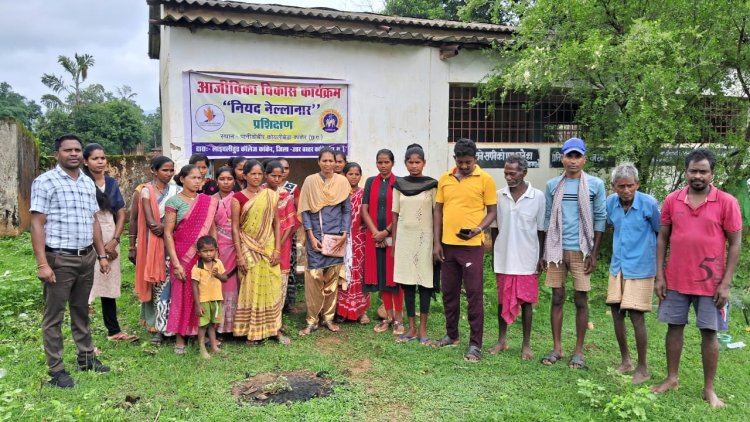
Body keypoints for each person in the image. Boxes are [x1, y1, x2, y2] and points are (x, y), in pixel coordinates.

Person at [651, 149, 742, 408]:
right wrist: (660, 275)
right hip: (676, 278)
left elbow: (735, 243)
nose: (698, 175)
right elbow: (662, 238)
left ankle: (709, 389)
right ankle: (671, 378)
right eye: (693, 170)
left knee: (709, 333)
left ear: (712, 174)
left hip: (710, 282)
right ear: (686, 172)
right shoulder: (672, 200)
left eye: (703, 171)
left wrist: (725, 283)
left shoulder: (726, 202)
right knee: (674, 328)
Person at [30, 134, 111, 388]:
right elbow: (37, 223)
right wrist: (43, 263)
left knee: (81, 310)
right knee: (54, 316)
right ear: (57, 154)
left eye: (77, 150)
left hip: (86, 256)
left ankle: (86, 358)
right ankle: (56, 370)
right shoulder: (45, 182)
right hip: (59, 258)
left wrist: (101, 255)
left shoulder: (87, 183)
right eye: (68, 150)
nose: (74, 154)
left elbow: (93, 220)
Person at [541, 137, 606, 369]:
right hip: (557, 248)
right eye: (569, 156)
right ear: (562, 159)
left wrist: (594, 253)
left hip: (582, 250)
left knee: (581, 298)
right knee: (557, 297)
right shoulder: (552, 186)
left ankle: (578, 351)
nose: (573, 161)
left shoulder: (595, 185)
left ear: (584, 159)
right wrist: (543, 251)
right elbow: (548, 218)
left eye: (577, 156)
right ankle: (557, 347)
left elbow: (600, 219)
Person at [432, 138, 497, 362]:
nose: (464, 166)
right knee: (449, 293)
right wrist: (436, 242)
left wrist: (478, 229)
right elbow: (438, 211)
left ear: (475, 159)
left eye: (468, 162)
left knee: (474, 295)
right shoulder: (445, 179)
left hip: (471, 247)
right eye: (461, 162)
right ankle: (452, 335)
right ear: (455, 160)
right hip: (448, 246)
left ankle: (475, 344)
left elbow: (492, 212)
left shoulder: (485, 180)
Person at [605, 163, 660, 384]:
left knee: (636, 316)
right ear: (614, 187)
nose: (626, 191)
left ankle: (643, 367)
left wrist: (661, 268)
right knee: (616, 313)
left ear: (637, 184)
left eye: (630, 186)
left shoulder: (649, 204)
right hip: (617, 266)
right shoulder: (610, 204)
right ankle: (626, 360)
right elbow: (612, 227)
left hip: (641, 267)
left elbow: (661, 233)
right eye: (621, 186)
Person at [489, 154, 545, 360]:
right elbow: (494, 228)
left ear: (524, 173)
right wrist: (496, 251)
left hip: (528, 258)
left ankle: (526, 345)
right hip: (503, 257)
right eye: (506, 173)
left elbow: (541, 230)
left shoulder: (537, 196)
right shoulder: (498, 195)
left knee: (527, 302)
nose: (508, 177)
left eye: (512, 173)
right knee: (502, 301)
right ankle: (502, 340)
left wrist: (541, 256)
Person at [82, 143, 138, 343]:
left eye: (103, 158)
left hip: (110, 232)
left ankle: (113, 331)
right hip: (87, 234)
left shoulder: (112, 183)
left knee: (108, 284)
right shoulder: (82, 183)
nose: (100, 162)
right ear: (85, 162)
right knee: (86, 286)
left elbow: (121, 213)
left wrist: (115, 240)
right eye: (95, 158)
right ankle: (85, 339)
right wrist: (100, 249)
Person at [231, 160, 289, 345]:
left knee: (272, 286)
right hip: (248, 246)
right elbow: (235, 228)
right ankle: (253, 332)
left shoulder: (270, 195)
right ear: (244, 175)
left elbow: (276, 223)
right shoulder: (238, 198)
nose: (256, 177)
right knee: (252, 286)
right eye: (252, 174)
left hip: (269, 246)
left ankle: (274, 329)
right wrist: (239, 255)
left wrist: (278, 249)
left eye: (259, 174)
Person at [164, 164, 219, 354]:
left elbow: (212, 229)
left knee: (203, 294)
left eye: (200, 178)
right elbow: (168, 233)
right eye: (193, 177)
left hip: (204, 255)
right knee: (182, 294)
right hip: (182, 255)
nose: (197, 181)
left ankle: (200, 334)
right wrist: (176, 263)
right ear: (182, 179)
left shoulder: (207, 201)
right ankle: (181, 337)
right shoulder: (174, 202)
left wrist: (215, 258)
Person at [297, 147, 351, 336]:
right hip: (316, 237)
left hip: (336, 236)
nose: (328, 164)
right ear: (318, 162)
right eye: (325, 161)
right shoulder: (310, 181)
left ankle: (328, 318)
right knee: (313, 277)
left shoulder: (342, 182)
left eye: (332, 161)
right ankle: (312, 320)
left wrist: (344, 232)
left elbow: (346, 210)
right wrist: (310, 236)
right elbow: (304, 210)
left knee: (332, 278)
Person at [392, 144, 438, 344]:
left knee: (425, 283)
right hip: (404, 238)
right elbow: (394, 215)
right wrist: (394, 242)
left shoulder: (432, 185)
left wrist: (437, 242)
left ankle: (423, 329)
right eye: (410, 162)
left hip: (425, 238)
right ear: (405, 163)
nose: (414, 166)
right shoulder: (398, 184)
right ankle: (410, 328)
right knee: (407, 283)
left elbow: (438, 214)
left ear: (424, 163)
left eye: (417, 162)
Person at [132, 156, 179, 346]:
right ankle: (157, 326)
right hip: (154, 242)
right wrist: (162, 228)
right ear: (154, 170)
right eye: (164, 170)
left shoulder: (177, 191)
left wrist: (168, 229)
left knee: (173, 284)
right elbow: (149, 221)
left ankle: (174, 323)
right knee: (157, 283)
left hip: (174, 241)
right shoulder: (145, 191)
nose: (168, 174)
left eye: (171, 170)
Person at [362, 149, 403, 335]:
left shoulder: (400, 183)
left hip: (394, 236)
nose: (383, 165)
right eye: (380, 162)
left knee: (395, 278)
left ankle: (399, 319)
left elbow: (401, 210)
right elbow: (365, 209)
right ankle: (387, 317)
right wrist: (375, 233)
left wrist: (386, 232)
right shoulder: (371, 182)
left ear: (392, 163)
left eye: (386, 162)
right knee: (382, 277)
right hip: (374, 237)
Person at [335, 162, 371, 324]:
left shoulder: (364, 194)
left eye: (357, 174)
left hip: (360, 240)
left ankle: (361, 311)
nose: (354, 177)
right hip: (342, 239)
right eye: (351, 174)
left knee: (360, 274)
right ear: (344, 175)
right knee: (342, 273)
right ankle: (342, 310)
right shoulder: (338, 194)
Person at [264, 160, 299, 311]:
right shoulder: (259, 194)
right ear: (266, 175)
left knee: (282, 275)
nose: (277, 179)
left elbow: (292, 223)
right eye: (274, 176)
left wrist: (279, 244)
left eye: (280, 175)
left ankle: (277, 315)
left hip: (283, 243)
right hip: (261, 243)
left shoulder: (285, 195)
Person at [213, 166, 239, 334]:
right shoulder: (209, 200)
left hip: (236, 246)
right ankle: (217, 325)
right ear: (217, 181)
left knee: (233, 283)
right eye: (222, 179)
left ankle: (233, 326)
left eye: (229, 179)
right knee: (217, 282)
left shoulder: (238, 198)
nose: (226, 182)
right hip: (217, 247)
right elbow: (210, 225)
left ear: (234, 180)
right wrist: (214, 248)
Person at [191, 235, 228, 359]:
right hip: (204, 300)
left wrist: (218, 275)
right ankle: (202, 348)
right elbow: (194, 286)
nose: (208, 254)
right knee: (203, 325)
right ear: (199, 253)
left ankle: (213, 346)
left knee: (212, 324)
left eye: (211, 250)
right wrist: (198, 304)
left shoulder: (218, 263)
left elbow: (225, 278)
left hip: (216, 299)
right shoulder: (197, 268)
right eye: (205, 251)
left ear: (216, 250)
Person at [278, 157, 299, 311]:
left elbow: (298, 211)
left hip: (289, 233)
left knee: (289, 267)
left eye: (286, 169)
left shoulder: (292, 188)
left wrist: (291, 229)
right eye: (280, 168)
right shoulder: (265, 188)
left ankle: (287, 302)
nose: (283, 172)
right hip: (270, 234)